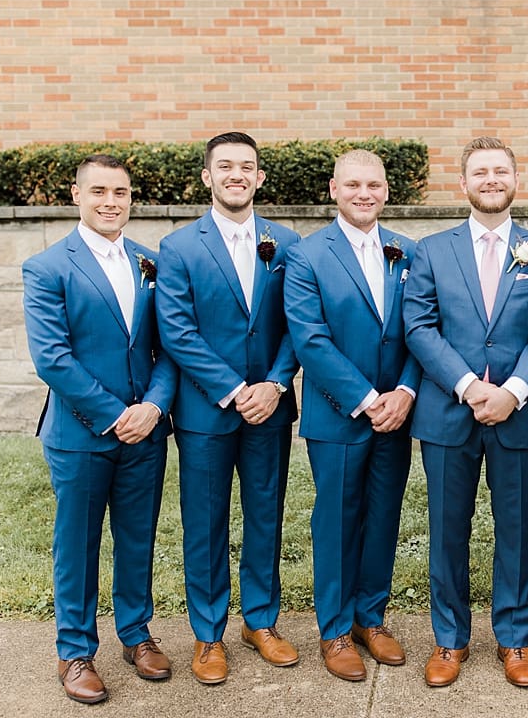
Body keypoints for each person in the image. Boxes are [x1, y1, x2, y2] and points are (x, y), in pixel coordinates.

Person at [403, 137, 528, 689]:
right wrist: (471, 387)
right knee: (448, 528)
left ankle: (515, 637)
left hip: (521, 413)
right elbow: (419, 327)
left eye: (500, 170)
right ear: (464, 184)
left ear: (515, 180)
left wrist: (514, 390)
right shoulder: (431, 251)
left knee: (517, 530)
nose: (491, 179)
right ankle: (449, 639)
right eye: (480, 172)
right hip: (449, 413)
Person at [22, 154, 176, 704]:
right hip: (81, 435)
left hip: (147, 432)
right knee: (78, 544)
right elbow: (53, 360)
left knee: (137, 538)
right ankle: (75, 651)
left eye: (121, 192)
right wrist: (116, 415)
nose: (111, 201)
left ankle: (136, 633)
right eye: (100, 191)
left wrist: (154, 409)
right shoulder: (47, 268)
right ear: (77, 195)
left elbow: (169, 348)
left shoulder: (152, 263)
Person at [155, 132, 300, 685]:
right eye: (225, 166)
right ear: (207, 177)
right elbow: (176, 329)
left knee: (266, 515)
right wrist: (234, 389)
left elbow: (298, 325)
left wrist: (276, 383)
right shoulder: (180, 247)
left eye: (247, 166)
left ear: (260, 178)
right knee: (206, 522)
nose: (236, 174)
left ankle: (260, 622)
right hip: (206, 412)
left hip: (271, 408)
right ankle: (208, 633)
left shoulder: (286, 243)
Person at [283, 150, 419, 682]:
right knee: (338, 521)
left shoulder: (408, 252)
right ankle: (335, 629)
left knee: (384, 514)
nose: (365, 193)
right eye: (354, 185)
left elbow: (420, 328)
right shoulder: (307, 255)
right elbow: (309, 340)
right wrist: (367, 399)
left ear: (386, 191)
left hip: (398, 413)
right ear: (334, 190)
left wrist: (406, 391)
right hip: (341, 414)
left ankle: (370, 617)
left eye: (374, 185)